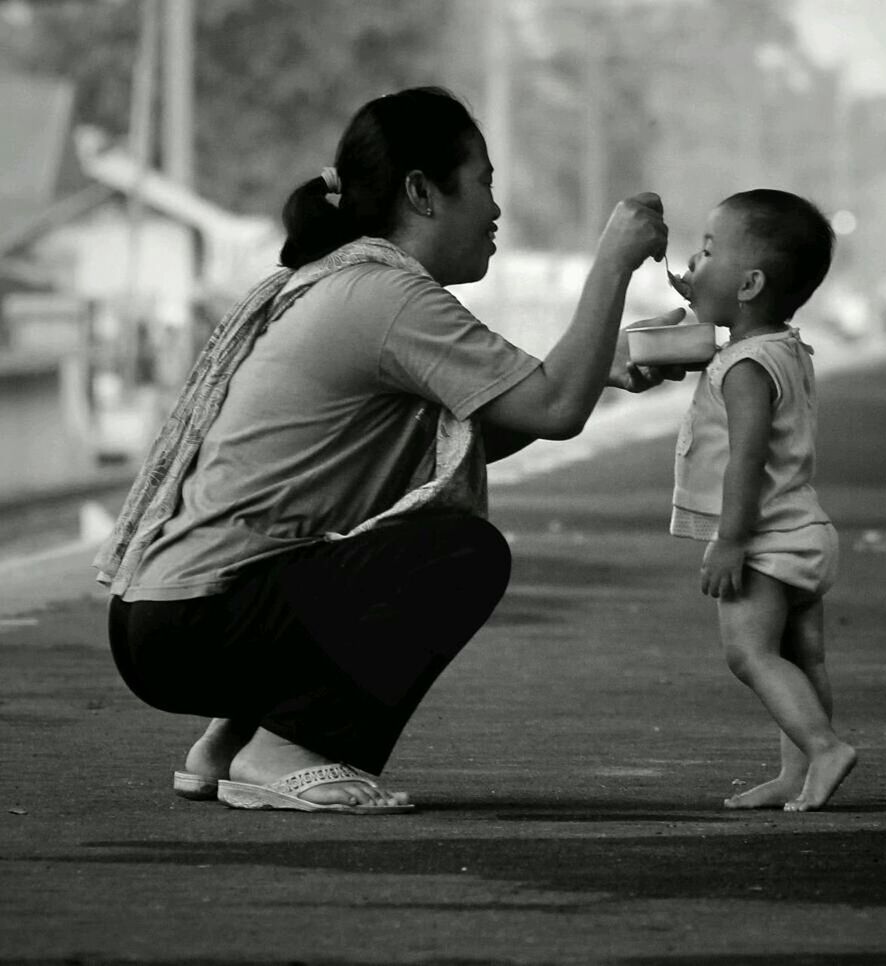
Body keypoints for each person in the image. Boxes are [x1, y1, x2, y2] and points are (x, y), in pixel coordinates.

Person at [97, 86, 676, 814]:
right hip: (200, 624)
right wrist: (614, 264)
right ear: (421, 193)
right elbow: (555, 408)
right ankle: (288, 748)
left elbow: (477, 436)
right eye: (485, 184)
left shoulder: (339, 283)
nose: (496, 211)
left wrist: (606, 364)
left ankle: (230, 742)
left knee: (394, 540)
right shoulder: (388, 297)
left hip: (163, 620)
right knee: (460, 552)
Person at [669, 189, 856, 812]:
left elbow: (746, 458)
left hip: (764, 539)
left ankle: (824, 748)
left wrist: (730, 540)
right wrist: (694, 301)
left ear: (747, 284)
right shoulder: (782, 348)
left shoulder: (744, 366)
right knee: (802, 656)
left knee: (749, 653)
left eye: (707, 252)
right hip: (805, 530)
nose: (693, 263)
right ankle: (798, 772)